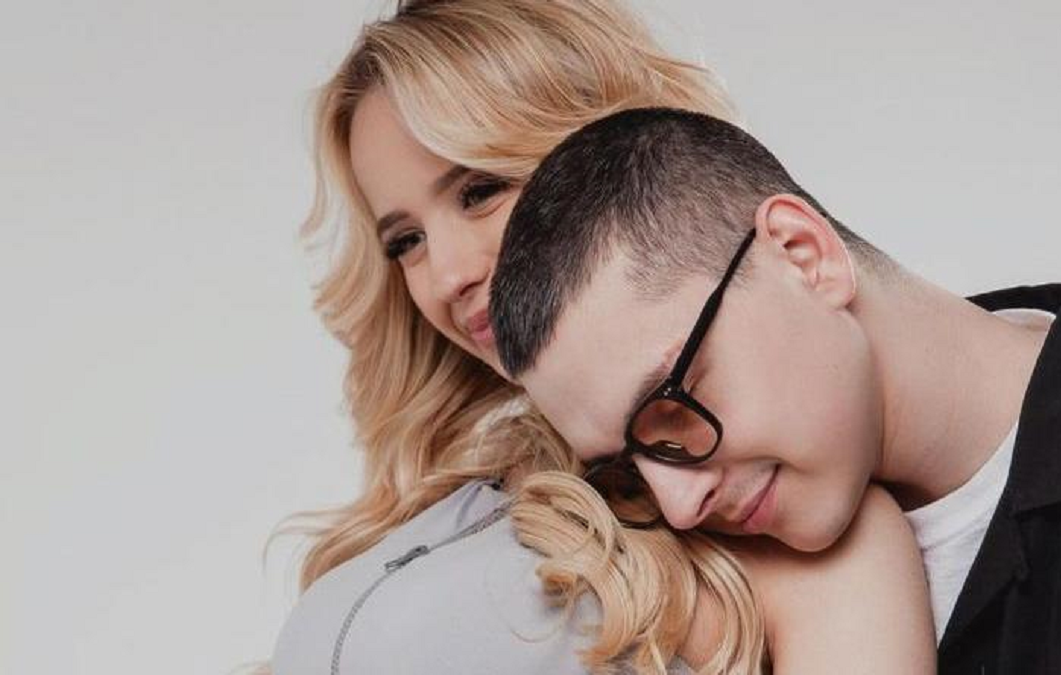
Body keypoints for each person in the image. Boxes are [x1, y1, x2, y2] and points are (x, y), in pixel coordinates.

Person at [270, 2, 935, 674]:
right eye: (406, 241)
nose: (447, 274)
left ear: (601, 154)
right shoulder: (448, 495)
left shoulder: (798, 529)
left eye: (479, 191)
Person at [489, 105, 1061, 673]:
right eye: (628, 466)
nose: (678, 504)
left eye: (672, 407)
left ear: (804, 256)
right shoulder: (709, 566)